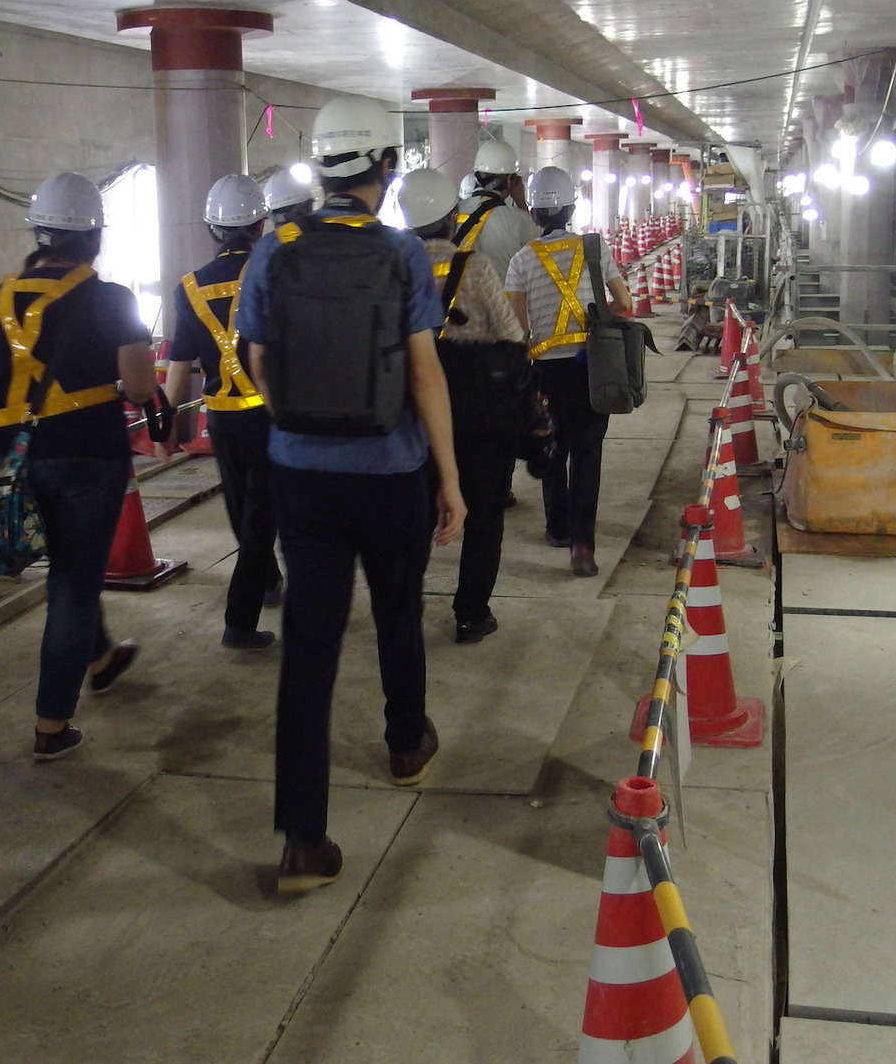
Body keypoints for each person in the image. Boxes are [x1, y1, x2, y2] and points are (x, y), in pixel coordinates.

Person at [235, 95, 466, 895]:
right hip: (390, 469)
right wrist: (451, 478)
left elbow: (258, 364)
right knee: (397, 610)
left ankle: (303, 839)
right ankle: (406, 741)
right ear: (387, 167)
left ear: (320, 166)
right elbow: (426, 373)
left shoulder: (274, 249)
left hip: (299, 472)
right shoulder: (403, 253)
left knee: (309, 644)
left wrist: (297, 423)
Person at [0, 172, 156, 763]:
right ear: (94, 237)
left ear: (38, 231)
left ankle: (102, 657)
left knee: (75, 566)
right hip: (88, 457)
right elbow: (142, 388)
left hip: (16, 459)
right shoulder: (112, 297)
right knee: (72, 580)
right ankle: (51, 723)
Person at [397, 166, 525, 645]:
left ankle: (403, 606)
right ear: (453, 218)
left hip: (412, 411)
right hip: (477, 410)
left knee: (415, 514)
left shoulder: (394, 269)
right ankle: (471, 614)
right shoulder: (475, 267)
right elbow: (512, 337)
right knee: (485, 512)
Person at [163, 173, 279, 651]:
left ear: (212, 230)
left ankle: (267, 579)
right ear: (260, 224)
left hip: (222, 416)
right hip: (270, 414)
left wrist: (166, 427)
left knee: (241, 507)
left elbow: (178, 363)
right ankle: (240, 617)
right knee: (262, 516)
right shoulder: (274, 272)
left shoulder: (188, 287)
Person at [503, 165, 632, 578]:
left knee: (553, 448)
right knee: (588, 455)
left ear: (535, 214)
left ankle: (557, 528)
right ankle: (582, 547)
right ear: (572, 208)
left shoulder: (522, 260)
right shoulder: (595, 249)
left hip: (546, 373)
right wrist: (594, 321)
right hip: (591, 368)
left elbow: (516, 328)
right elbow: (624, 303)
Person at [453, 139, 540, 284]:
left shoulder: (453, 214)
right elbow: (537, 252)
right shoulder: (517, 219)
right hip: (501, 303)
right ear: (511, 180)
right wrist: (521, 203)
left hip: (458, 304)